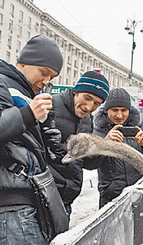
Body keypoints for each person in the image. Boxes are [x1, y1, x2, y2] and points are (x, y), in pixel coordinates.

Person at [0, 35, 63, 244]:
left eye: (51, 77)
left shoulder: (22, 91)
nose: (46, 81)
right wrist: (27, 115)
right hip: (8, 199)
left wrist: (45, 136)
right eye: (44, 73)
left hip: (23, 195)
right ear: (24, 62)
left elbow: (16, 137)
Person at [42, 71, 110, 218]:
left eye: (97, 104)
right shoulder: (50, 106)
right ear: (76, 92)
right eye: (87, 98)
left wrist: (104, 147)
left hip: (66, 199)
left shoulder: (88, 120)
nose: (89, 107)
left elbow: (86, 163)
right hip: (41, 195)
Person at [91, 88, 143, 208]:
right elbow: (90, 163)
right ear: (106, 110)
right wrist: (104, 144)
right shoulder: (97, 130)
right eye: (114, 110)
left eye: (123, 110)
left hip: (139, 192)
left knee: (140, 226)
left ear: (129, 110)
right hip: (111, 197)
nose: (119, 115)